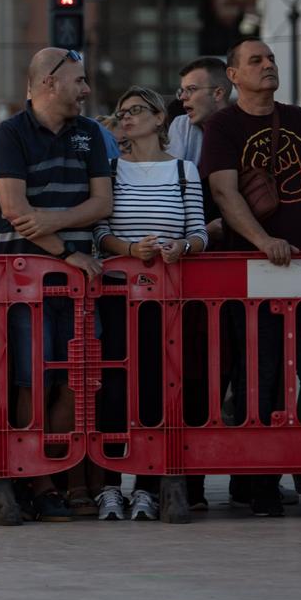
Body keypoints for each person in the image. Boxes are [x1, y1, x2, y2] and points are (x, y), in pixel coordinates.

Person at [198, 38, 301, 520]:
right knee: (260, 378)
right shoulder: (222, 126)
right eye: (256, 61)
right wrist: (261, 241)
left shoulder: (295, 117)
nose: (268, 66)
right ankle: (260, 480)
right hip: (253, 274)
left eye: (270, 59)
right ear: (232, 75)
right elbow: (225, 194)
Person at [0, 48, 113, 525]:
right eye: (79, 80)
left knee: (76, 382)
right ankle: (33, 478)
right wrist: (66, 252)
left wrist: (51, 221)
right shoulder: (9, 135)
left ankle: (57, 476)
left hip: (80, 285)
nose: (86, 89)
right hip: (25, 284)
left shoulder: (91, 133)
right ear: (49, 82)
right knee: (32, 380)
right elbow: (13, 210)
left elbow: (102, 203)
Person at [95, 85, 207, 523]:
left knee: (154, 386)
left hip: (166, 299)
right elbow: (99, 233)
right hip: (117, 295)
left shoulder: (184, 170)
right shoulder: (110, 169)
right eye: (121, 112)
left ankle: (146, 485)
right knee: (114, 387)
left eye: (137, 110)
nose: (127, 118)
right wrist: (127, 247)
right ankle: (109, 484)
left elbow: (200, 231)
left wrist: (184, 245)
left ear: (160, 119)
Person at [167, 55, 231, 167]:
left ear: (218, 94)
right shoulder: (181, 125)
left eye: (191, 89)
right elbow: (171, 175)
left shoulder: (243, 126)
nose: (182, 97)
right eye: (182, 90)